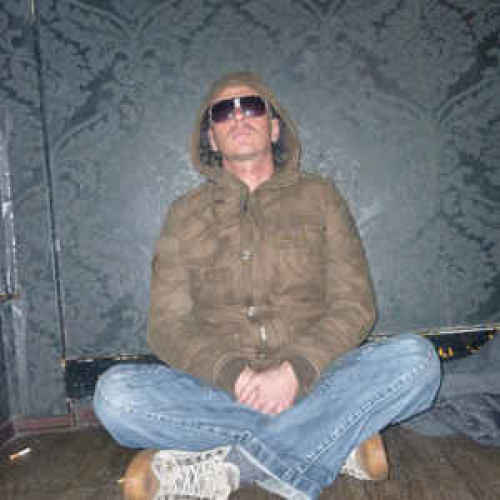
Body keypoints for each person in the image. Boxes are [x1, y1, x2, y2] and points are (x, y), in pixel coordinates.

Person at [93, 72, 441, 500]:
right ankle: (333, 439)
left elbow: (355, 304)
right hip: (222, 391)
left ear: (274, 128)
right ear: (212, 137)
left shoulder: (320, 197)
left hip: (317, 380)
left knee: (417, 362)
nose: (239, 117)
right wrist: (233, 375)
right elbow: (167, 325)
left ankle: (235, 467)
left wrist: (295, 370)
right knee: (116, 397)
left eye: (252, 106)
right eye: (224, 111)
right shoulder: (184, 215)